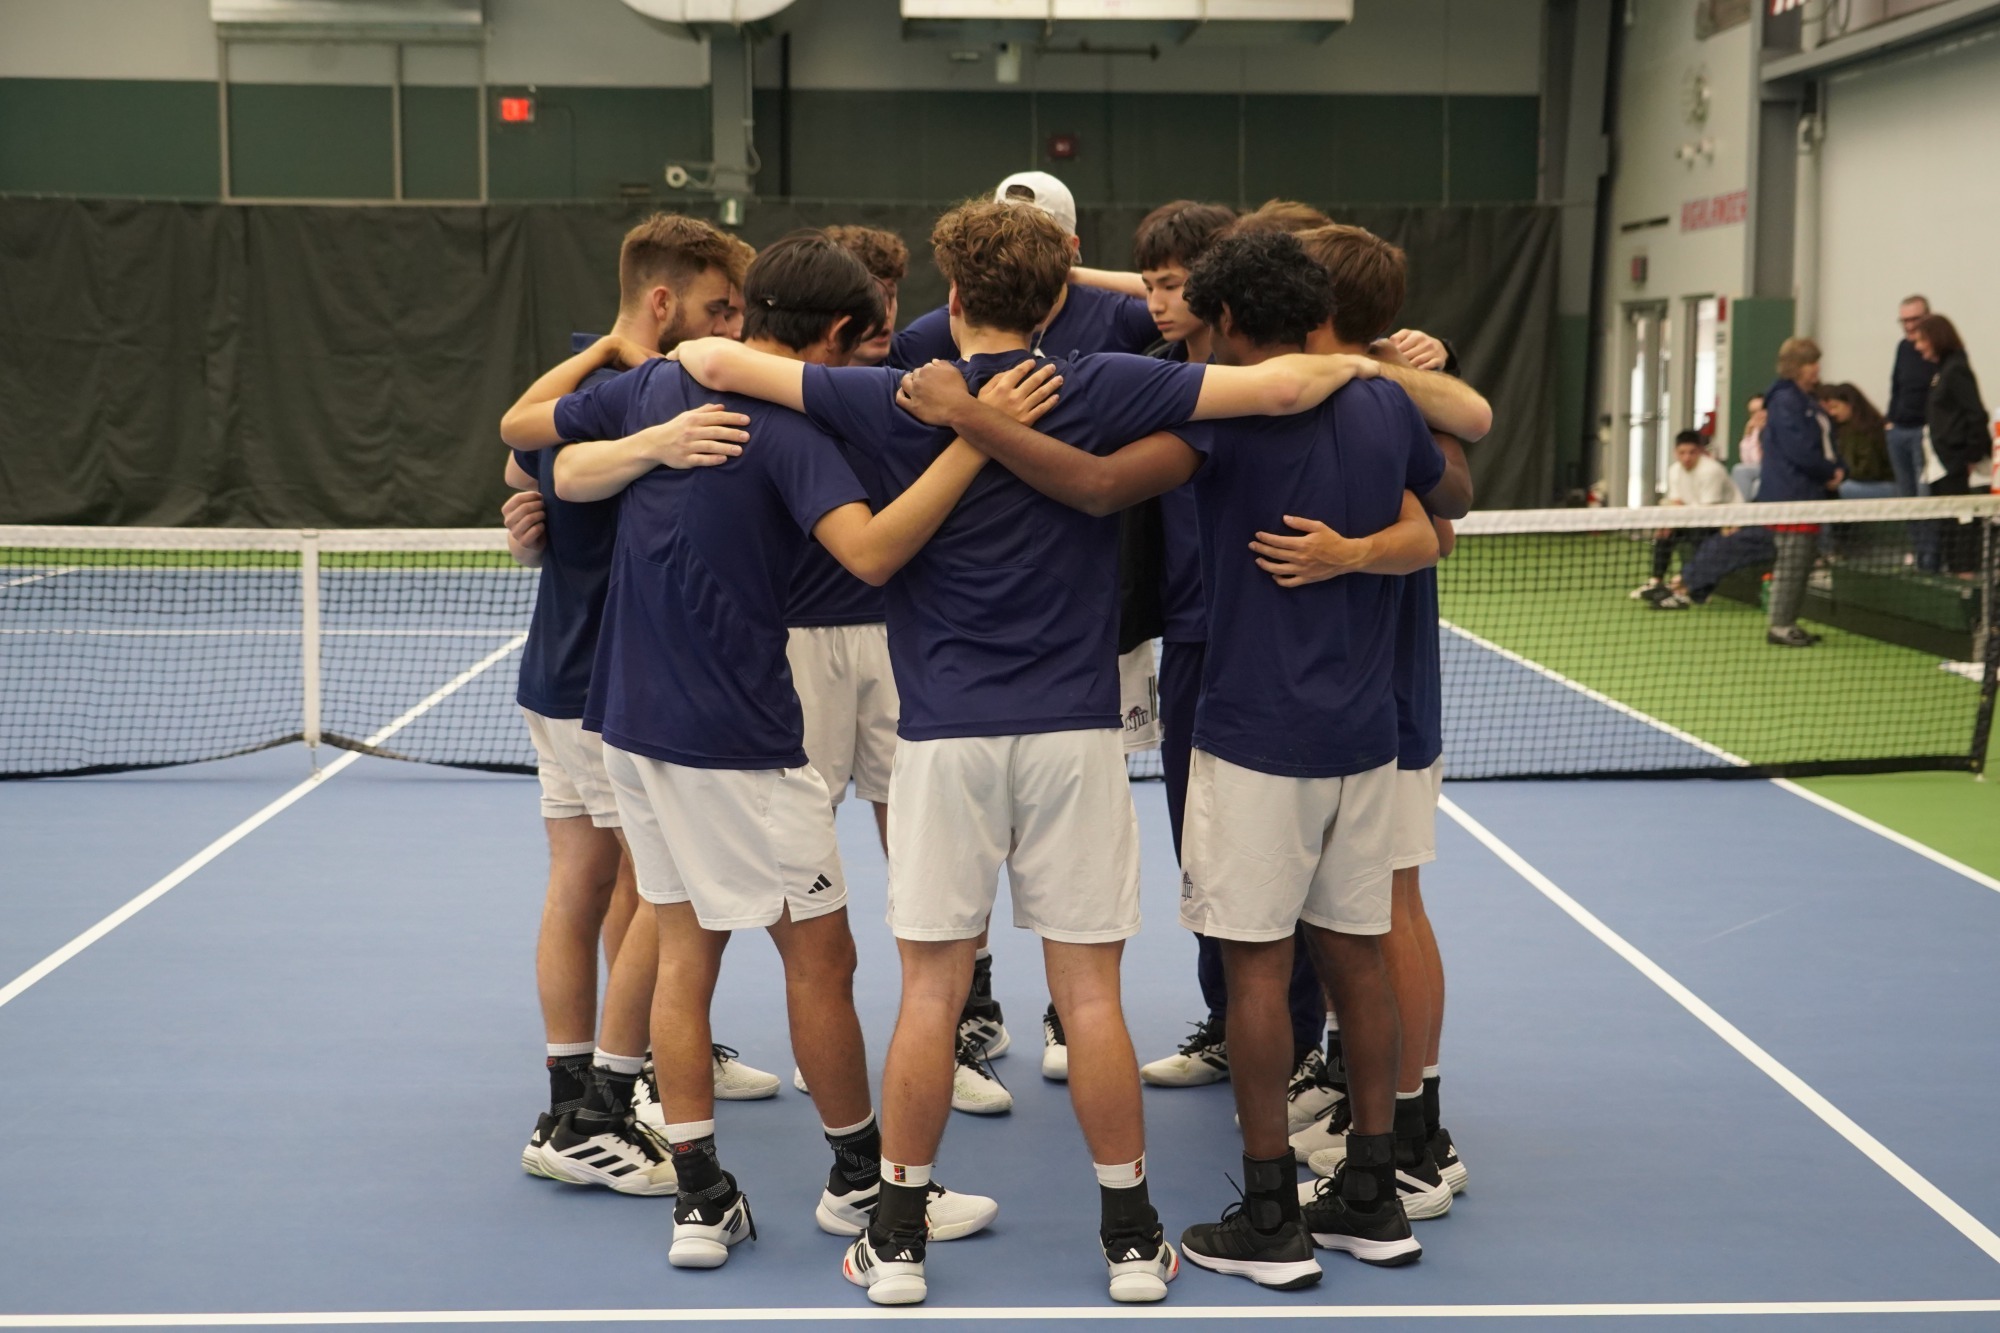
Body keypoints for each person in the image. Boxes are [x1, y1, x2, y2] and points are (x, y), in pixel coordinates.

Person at [672, 199, 1489, 1306]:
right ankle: (1128, 1239)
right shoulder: (1110, 386)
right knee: (1091, 996)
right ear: (1061, 300)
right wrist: (1368, 369)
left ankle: (898, 1240)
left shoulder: (883, 392)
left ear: (949, 301)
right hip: (1074, 735)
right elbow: (1285, 387)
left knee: (928, 992)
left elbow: (710, 352)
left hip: (943, 745)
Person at [892, 229, 1459, 1287]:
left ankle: (1268, 1214)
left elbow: (1098, 487)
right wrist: (1361, 551)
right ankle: (1376, 1194)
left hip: (1252, 732)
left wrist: (969, 418)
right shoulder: (1384, 402)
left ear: (1229, 324)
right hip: (1364, 737)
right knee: (1354, 958)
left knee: (1256, 971)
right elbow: (1440, 516)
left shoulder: (1219, 418)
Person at [498, 231, 1019, 1272]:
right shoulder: (793, 435)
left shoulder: (651, 386)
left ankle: (699, 1200)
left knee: (685, 949)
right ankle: (859, 1183)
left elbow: (530, 436)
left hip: (629, 724)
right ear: (827, 336)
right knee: (822, 962)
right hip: (737, 736)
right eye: (862, 347)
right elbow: (868, 553)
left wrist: (640, 446)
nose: (870, 365)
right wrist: (977, 440)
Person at [500, 213, 778, 1199]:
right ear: (661, 302)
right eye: (719, 308)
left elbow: (516, 467)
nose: (734, 329)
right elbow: (519, 451)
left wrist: (531, 518)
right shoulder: (621, 390)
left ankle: (593, 1077)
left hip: (563, 674)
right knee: (646, 892)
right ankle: (600, 1105)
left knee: (586, 881)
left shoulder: (586, 379)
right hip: (598, 687)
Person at [1284, 224, 1473, 1233]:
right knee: (1354, 910)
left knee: (1389, 906)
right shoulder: (1345, 386)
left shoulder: (1383, 397)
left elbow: (1447, 504)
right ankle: (1387, 1110)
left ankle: (1414, 1138)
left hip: (1387, 696)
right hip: (1346, 699)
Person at [1756, 338, 1844, 647]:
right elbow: (1800, 450)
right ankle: (1779, 626)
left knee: (1803, 559)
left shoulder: (1807, 400)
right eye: (1811, 362)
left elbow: (1825, 442)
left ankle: (1787, 622)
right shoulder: (1785, 401)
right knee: (1793, 559)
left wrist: (1836, 468)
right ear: (1797, 367)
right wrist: (1827, 471)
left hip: (1809, 492)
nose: (1817, 368)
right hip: (1790, 494)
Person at [1914, 314, 1990, 573]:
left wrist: (1970, 456)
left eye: (1922, 340)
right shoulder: (1941, 372)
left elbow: (1976, 414)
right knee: (1948, 530)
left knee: (1963, 535)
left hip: (1957, 468)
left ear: (1936, 338)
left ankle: (1968, 588)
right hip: (1942, 468)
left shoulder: (1956, 369)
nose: (1918, 346)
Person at [1632, 430, 1742, 601]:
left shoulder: (1711, 471)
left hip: (1727, 521)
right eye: (1682, 453)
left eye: (1692, 452)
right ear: (1676, 452)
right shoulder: (1674, 470)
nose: (1686, 457)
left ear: (1700, 451)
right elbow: (1676, 503)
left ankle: (1697, 588)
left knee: (1699, 536)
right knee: (1664, 534)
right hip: (1693, 518)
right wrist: (1667, 523)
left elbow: (1708, 513)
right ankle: (1656, 582)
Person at [1886, 295, 1933, 498]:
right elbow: (1896, 386)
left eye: (1915, 319)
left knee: (1925, 497)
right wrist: (1890, 420)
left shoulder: (1937, 351)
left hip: (1923, 432)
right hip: (1898, 431)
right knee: (1905, 498)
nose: (1910, 326)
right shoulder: (1902, 348)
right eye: (1905, 321)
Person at [1816, 383, 1896, 500]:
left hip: (1882, 484)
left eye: (1835, 407)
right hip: (1863, 481)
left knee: (1843, 489)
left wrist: (1841, 475)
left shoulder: (1867, 430)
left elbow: (1869, 470)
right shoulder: (1843, 430)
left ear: (1850, 405)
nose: (1832, 413)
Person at [1732, 394, 1765, 500]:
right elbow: (1747, 461)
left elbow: (1762, 460)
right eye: (1753, 412)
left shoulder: (1777, 428)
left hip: (1776, 470)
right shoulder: (1754, 431)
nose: (1757, 415)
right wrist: (1747, 436)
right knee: (1755, 487)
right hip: (1759, 472)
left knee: (1739, 471)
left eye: (1761, 410)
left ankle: (1740, 512)